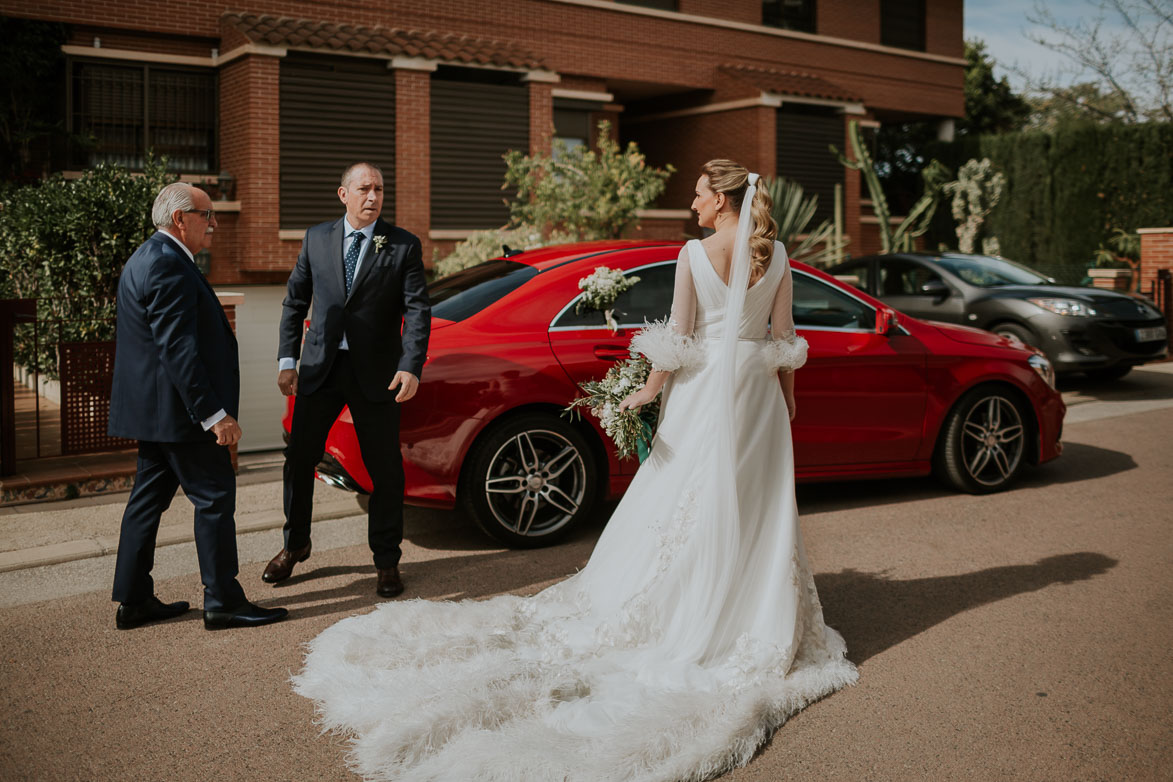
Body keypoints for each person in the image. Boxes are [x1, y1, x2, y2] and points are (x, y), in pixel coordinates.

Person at [292, 160, 857, 780]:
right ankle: (749, 610)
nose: (691, 204)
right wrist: (789, 398)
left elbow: (680, 338)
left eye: (698, 194)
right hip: (760, 398)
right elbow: (783, 338)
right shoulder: (776, 258)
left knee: (685, 499)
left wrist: (645, 392)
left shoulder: (694, 256)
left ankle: (693, 606)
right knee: (756, 504)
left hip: (704, 395)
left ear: (723, 201)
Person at [109, 183, 288, 631]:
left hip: (159, 414)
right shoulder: (167, 265)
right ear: (180, 219)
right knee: (214, 498)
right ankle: (223, 601)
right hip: (184, 416)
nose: (213, 224)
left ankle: (133, 600)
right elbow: (177, 350)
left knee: (145, 504)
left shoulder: (147, 258)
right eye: (207, 215)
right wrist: (215, 415)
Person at [265, 162, 430, 597]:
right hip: (321, 369)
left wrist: (411, 365)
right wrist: (287, 361)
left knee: (386, 473)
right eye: (364, 189)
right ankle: (295, 543)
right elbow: (295, 300)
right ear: (344, 194)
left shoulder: (402, 245)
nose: (373, 197)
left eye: (379, 189)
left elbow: (417, 310)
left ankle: (386, 561)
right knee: (300, 459)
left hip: (376, 374)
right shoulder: (316, 238)